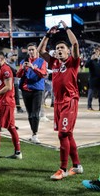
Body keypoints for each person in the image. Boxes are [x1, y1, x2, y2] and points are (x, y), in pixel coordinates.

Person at [37, 20, 83, 180]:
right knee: (67, 135)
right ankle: (77, 166)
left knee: (63, 134)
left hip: (70, 100)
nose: (59, 50)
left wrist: (66, 28)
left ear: (68, 51)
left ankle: (62, 169)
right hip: (57, 103)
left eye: (62, 48)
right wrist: (48, 35)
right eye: (57, 49)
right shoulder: (54, 62)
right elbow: (40, 50)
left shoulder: (73, 61)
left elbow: (75, 43)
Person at [16, 42, 47, 144]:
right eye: (29, 50)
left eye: (33, 49)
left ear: (36, 50)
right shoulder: (23, 61)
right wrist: (22, 68)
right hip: (25, 90)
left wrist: (33, 67)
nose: (31, 51)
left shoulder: (41, 61)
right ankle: (33, 133)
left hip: (37, 90)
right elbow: (18, 75)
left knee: (35, 113)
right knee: (30, 114)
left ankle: (35, 134)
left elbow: (43, 74)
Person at [84, 46, 100, 111]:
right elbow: (86, 65)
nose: (96, 52)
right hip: (92, 80)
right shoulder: (91, 59)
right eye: (95, 51)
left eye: (97, 51)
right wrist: (91, 59)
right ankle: (89, 106)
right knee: (90, 94)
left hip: (99, 80)